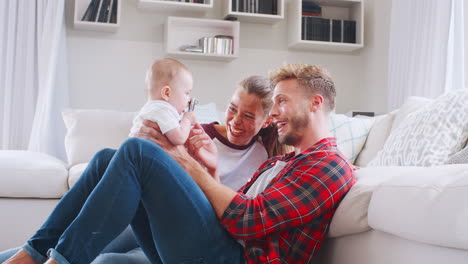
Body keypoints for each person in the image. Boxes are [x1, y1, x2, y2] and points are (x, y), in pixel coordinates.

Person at [2, 63, 355, 264]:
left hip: (233, 260)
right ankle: (30, 254)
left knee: (138, 153)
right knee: (107, 158)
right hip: (218, 248)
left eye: (281, 101)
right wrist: (205, 167)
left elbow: (249, 221)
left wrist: (185, 162)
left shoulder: (329, 165)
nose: (274, 112)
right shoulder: (287, 162)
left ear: (315, 103)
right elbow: (230, 213)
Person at [129, 58, 196, 145]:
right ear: (167, 93)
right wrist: (187, 119)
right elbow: (179, 139)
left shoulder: (152, 108)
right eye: (187, 93)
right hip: (141, 153)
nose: (189, 99)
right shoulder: (163, 109)